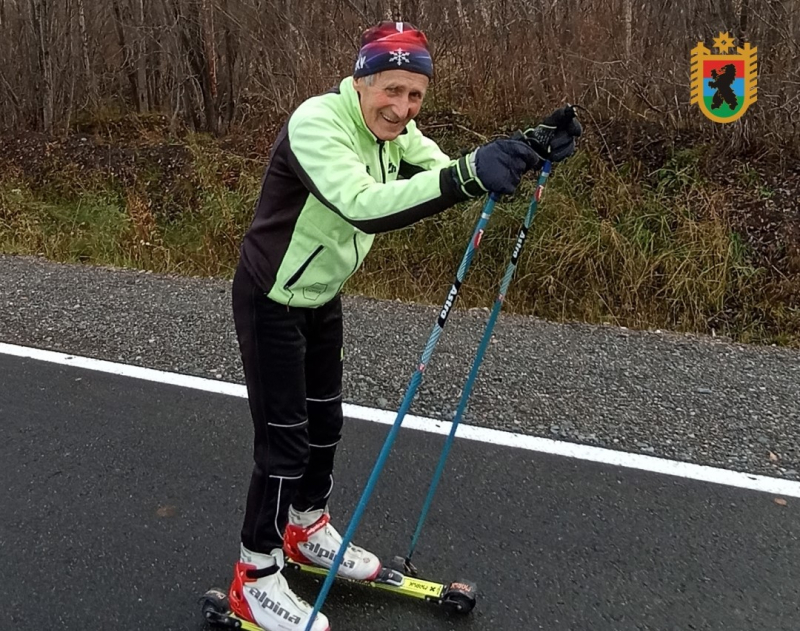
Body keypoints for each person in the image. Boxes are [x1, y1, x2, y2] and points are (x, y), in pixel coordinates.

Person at [227, 20, 581, 631]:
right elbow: (363, 205)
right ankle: (254, 575)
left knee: (326, 423)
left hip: (321, 295)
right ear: (361, 81)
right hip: (271, 297)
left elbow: (447, 170)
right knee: (285, 443)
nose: (402, 107)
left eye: (415, 94)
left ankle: (305, 528)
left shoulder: (397, 132)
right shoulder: (317, 123)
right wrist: (467, 174)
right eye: (391, 90)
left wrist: (522, 151)